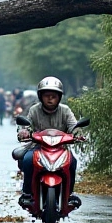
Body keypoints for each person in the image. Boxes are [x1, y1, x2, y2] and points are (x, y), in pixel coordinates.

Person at [16, 76, 80, 210]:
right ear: (40, 96)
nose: (50, 98)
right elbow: (26, 125)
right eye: (47, 95)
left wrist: (77, 134)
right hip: (38, 147)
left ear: (59, 97)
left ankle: (69, 194)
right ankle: (27, 192)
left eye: (54, 96)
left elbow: (74, 126)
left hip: (60, 148)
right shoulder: (34, 110)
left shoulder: (65, 110)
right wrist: (24, 132)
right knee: (27, 160)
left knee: (72, 162)